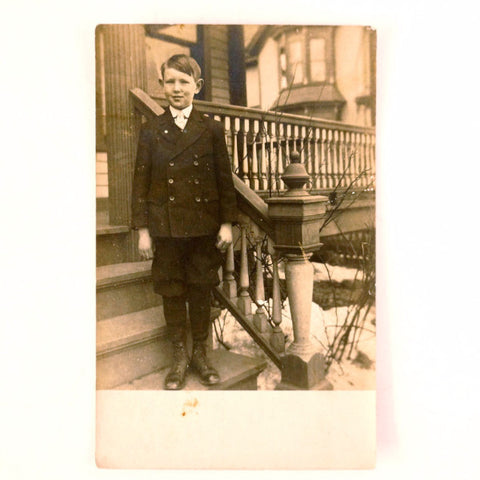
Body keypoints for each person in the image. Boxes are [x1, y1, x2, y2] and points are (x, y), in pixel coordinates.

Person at [131, 54, 237, 390]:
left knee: (201, 289)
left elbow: (224, 180)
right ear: (162, 85)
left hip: (203, 228)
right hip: (166, 230)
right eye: (171, 81)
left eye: (184, 82)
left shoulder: (211, 129)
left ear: (197, 86)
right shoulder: (151, 130)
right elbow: (141, 182)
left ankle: (201, 355)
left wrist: (226, 223)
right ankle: (179, 357)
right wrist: (144, 231)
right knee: (172, 291)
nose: (177, 89)